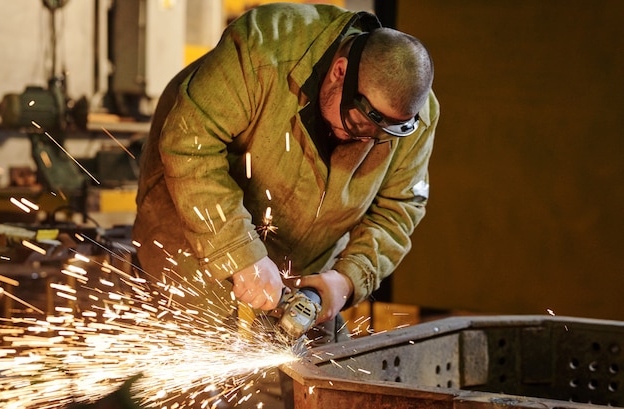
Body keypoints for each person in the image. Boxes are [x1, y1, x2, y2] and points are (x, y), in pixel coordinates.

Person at [132, 2, 438, 344]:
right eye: (356, 123)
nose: (361, 138)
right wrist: (240, 254)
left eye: (376, 137)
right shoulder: (262, 47)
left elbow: (397, 211)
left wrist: (345, 281)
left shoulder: (412, 117)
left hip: (302, 265)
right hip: (196, 228)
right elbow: (189, 144)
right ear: (340, 71)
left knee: (328, 374)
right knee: (195, 352)